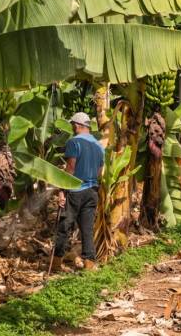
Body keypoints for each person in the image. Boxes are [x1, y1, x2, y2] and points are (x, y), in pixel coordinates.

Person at [52, 112, 104, 271]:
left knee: (64, 225)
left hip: (75, 191)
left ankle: (55, 263)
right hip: (92, 191)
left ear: (77, 125)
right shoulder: (98, 145)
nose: (72, 127)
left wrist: (62, 190)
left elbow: (71, 168)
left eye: (73, 124)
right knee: (87, 228)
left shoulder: (74, 142)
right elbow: (100, 170)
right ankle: (89, 263)